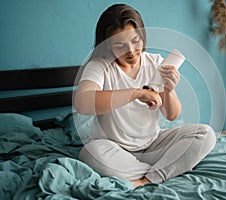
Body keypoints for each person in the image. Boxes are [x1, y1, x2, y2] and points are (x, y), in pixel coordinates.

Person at [74, 3, 216, 188]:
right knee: (90, 153)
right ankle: (168, 169)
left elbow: (172, 115)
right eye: (120, 45)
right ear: (108, 45)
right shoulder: (99, 66)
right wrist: (135, 93)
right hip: (113, 148)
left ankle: (146, 179)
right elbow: (83, 103)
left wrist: (169, 90)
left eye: (135, 41)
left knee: (206, 134)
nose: (131, 51)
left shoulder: (156, 62)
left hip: (153, 145)